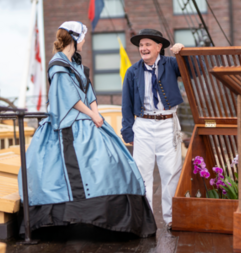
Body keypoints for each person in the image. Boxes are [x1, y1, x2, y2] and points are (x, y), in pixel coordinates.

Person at [18, 21, 156, 237]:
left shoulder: (75, 65)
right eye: (82, 37)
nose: (84, 41)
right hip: (69, 123)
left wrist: (96, 114)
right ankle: (78, 217)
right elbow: (68, 97)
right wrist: (93, 114)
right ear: (74, 39)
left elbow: (88, 92)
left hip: (86, 121)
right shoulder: (58, 65)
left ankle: (105, 217)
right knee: (93, 164)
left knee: (110, 162)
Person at [121, 29, 186, 229]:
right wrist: (128, 130)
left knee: (171, 172)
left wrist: (182, 53)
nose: (143, 48)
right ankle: (145, 221)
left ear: (159, 47)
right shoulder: (132, 72)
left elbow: (195, 70)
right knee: (142, 173)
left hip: (167, 124)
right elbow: (126, 104)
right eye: (141, 45)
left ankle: (172, 219)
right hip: (143, 125)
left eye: (148, 44)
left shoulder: (171, 64)